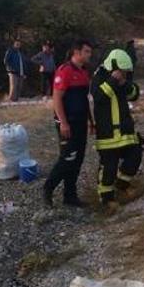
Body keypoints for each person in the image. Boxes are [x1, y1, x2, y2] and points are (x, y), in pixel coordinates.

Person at [91, 49, 143, 214]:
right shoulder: (98, 76)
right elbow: (98, 97)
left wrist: (125, 84)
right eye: (123, 72)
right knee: (109, 167)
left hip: (125, 131)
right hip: (108, 134)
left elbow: (134, 94)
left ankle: (122, 185)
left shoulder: (123, 79)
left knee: (135, 155)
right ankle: (106, 198)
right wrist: (113, 80)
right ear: (113, 66)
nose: (125, 74)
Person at [43, 40, 94, 208]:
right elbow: (56, 98)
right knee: (67, 158)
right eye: (86, 51)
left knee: (77, 159)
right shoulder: (64, 71)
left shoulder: (84, 72)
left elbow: (84, 100)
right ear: (76, 52)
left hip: (80, 122)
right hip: (67, 122)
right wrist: (63, 123)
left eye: (89, 51)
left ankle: (70, 195)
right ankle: (48, 189)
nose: (89, 55)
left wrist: (91, 121)